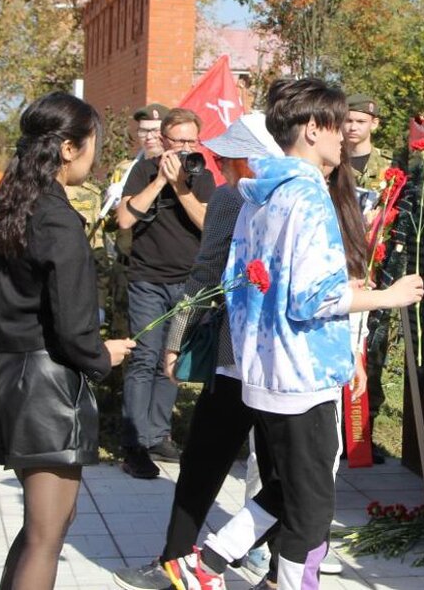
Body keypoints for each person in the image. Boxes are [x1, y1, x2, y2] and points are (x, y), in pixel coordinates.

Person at [174, 78, 424, 590]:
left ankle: (211, 559)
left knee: (293, 488)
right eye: (336, 126)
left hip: (265, 368)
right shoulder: (307, 195)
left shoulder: (257, 194)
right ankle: (226, 567)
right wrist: (388, 296)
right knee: (310, 508)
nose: (344, 139)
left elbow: (239, 286)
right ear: (313, 129)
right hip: (301, 371)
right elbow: (315, 296)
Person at [113, 112, 284, 590]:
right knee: (202, 462)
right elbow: (207, 273)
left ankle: (278, 571)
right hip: (233, 357)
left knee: (279, 469)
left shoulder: (298, 200)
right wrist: (177, 341)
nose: (221, 165)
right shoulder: (229, 198)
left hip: (283, 365)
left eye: (230, 158)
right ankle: (174, 562)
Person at [0, 92, 136, 589]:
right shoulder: (56, 217)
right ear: (68, 149)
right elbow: (71, 326)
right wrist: (100, 354)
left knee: (38, 532)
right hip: (45, 384)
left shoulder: (12, 204)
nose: (95, 154)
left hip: (9, 370)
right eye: (93, 143)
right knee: (48, 536)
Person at [116, 107, 216, 479]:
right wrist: (160, 180)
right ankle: (133, 444)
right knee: (144, 357)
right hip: (147, 279)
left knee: (170, 360)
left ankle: (157, 435)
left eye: (192, 140)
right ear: (164, 141)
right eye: (179, 141)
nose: (187, 148)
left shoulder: (201, 174)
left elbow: (208, 223)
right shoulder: (142, 171)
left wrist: (181, 187)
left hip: (187, 281)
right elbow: (125, 219)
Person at [102, 103, 169, 339]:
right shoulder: (126, 170)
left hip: (161, 263)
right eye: (144, 131)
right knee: (123, 331)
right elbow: (110, 220)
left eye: (155, 130)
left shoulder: (175, 167)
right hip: (127, 260)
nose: (149, 137)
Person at [342, 94, 393, 191]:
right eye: (348, 121)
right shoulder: (331, 163)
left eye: (361, 122)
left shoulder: (389, 164)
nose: (353, 128)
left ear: (374, 124)